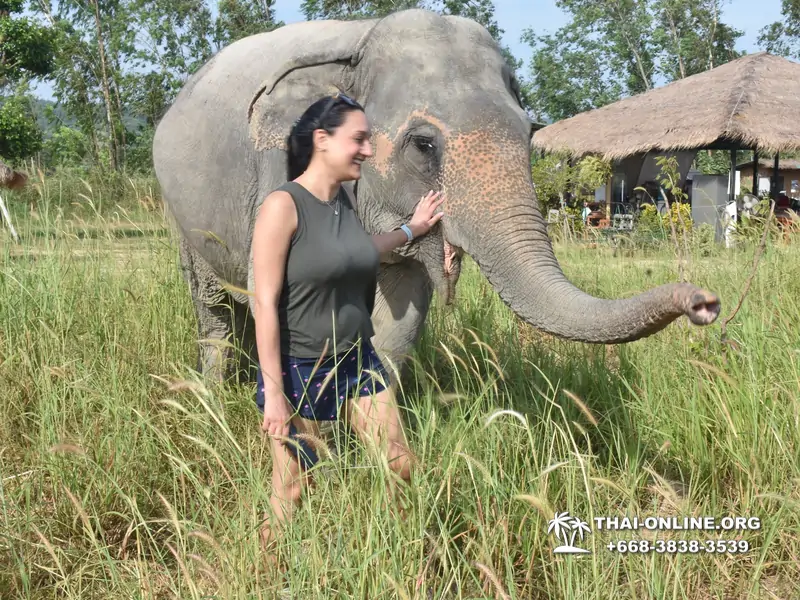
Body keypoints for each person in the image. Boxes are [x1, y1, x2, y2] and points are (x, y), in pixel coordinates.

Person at [250, 93, 444, 553]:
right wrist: (275, 395)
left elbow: (357, 250)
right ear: (322, 139)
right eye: (359, 139)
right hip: (301, 367)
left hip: (358, 359)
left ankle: (409, 562)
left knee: (400, 464)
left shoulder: (344, 201)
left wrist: (413, 229)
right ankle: (261, 570)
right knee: (295, 488)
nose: (368, 150)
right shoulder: (283, 206)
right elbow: (264, 302)